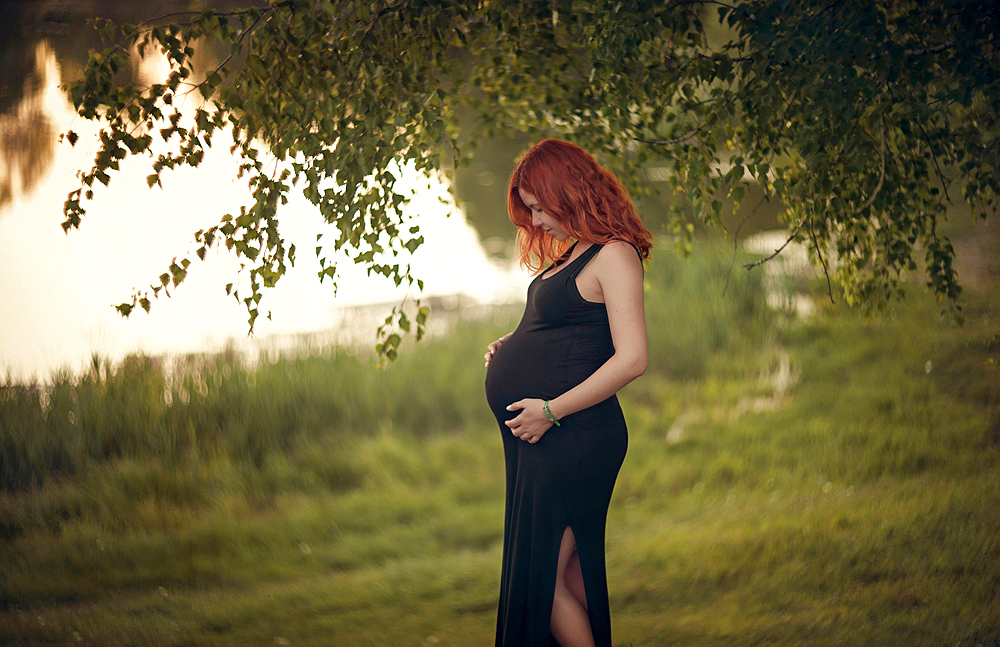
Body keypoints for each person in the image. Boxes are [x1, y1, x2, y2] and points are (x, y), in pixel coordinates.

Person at [483, 139, 653, 647]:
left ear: (568, 192)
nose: (535, 221)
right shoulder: (574, 254)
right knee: (569, 577)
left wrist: (550, 411)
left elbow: (632, 358)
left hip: (574, 437)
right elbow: (568, 327)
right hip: (545, 441)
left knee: (544, 582)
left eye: (538, 207)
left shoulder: (615, 255)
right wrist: (512, 345)